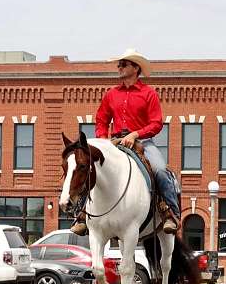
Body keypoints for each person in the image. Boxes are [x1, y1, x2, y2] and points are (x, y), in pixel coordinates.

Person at [70, 49, 181, 236]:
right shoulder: (112, 94)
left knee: (160, 169)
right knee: (91, 168)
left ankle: (169, 213)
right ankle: (82, 215)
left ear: (136, 68)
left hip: (143, 142)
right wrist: (104, 139)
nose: (119, 67)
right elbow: (101, 120)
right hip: (115, 142)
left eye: (123, 64)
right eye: (119, 64)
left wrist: (135, 134)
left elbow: (156, 123)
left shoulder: (148, 93)